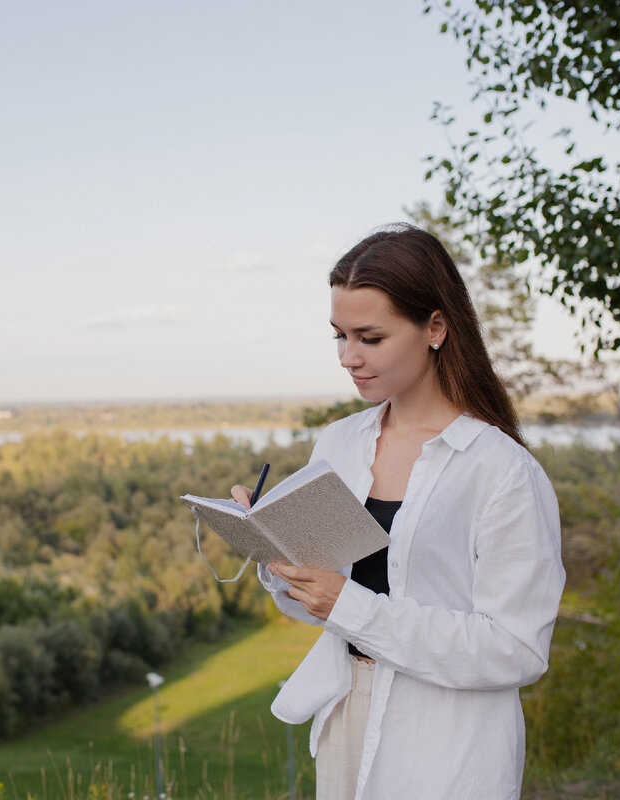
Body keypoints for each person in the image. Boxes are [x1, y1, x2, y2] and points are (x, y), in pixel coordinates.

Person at [231, 224, 565, 799]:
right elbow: (326, 605)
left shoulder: (500, 471)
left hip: (448, 743)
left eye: (370, 337)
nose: (348, 357)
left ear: (436, 327)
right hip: (345, 715)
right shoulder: (339, 444)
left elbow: (516, 649)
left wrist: (351, 606)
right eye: (339, 335)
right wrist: (278, 554)